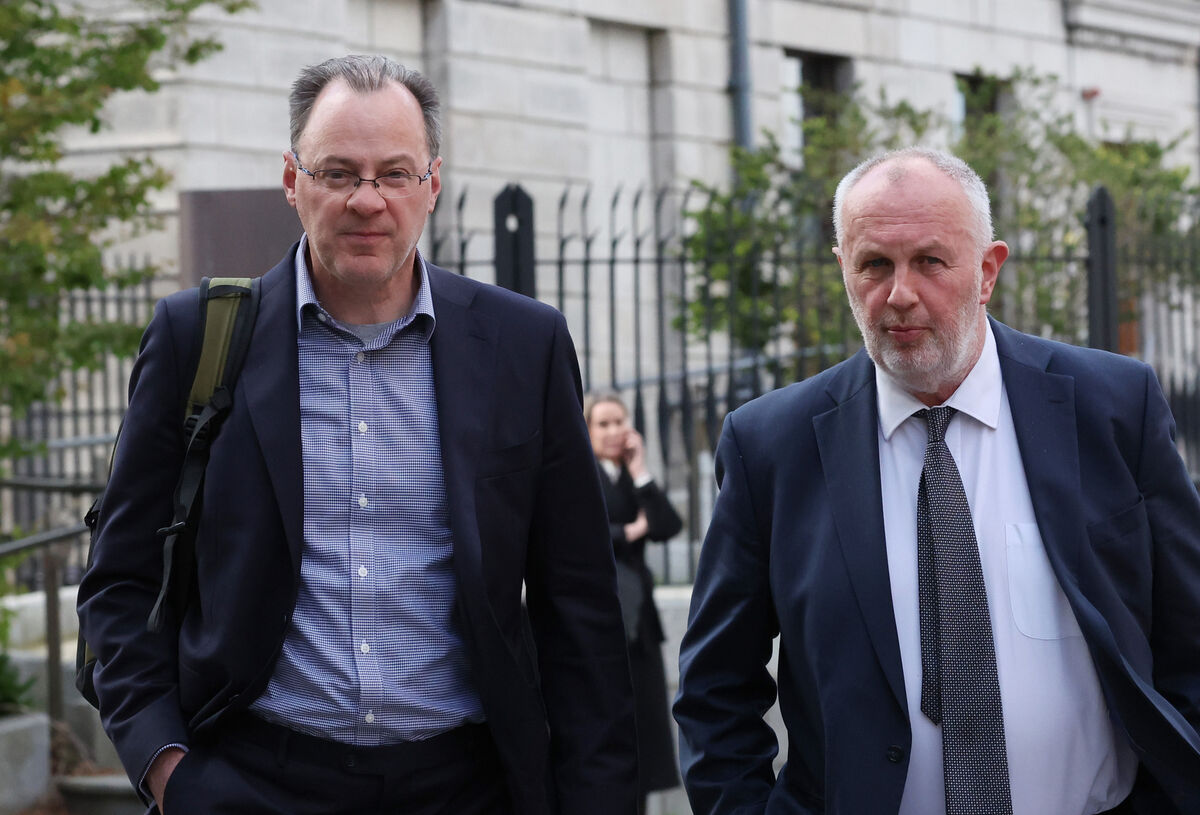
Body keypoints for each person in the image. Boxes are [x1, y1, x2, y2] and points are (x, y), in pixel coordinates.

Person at [77, 54, 637, 815]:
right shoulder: (196, 339)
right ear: (291, 179)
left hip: (469, 787)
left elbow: (581, 610)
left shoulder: (523, 345)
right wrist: (170, 770)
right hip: (251, 782)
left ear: (432, 185)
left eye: (394, 173)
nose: (367, 200)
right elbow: (119, 578)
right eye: (338, 172)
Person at [673, 146, 1200, 815]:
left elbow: (1189, 635)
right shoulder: (771, 446)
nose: (899, 294)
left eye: (929, 261)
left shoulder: (1114, 408)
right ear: (843, 269)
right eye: (874, 264)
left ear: (987, 271)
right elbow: (715, 690)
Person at [585, 392, 683, 813]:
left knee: (642, 731)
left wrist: (641, 471)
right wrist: (628, 533)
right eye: (602, 423)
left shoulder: (630, 478)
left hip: (638, 622)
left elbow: (666, 526)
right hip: (596, 619)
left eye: (618, 422)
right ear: (587, 429)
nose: (612, 431)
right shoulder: (579, 474)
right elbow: (578, 535)